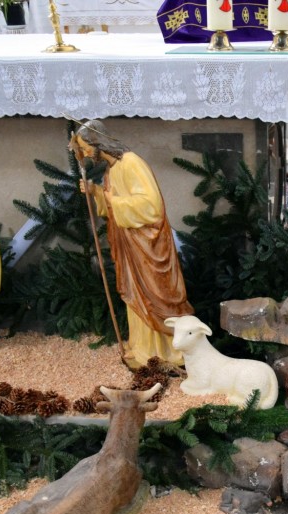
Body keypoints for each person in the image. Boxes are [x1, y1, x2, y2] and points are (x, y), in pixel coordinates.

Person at [70, 120, 193, 368]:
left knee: (156, 295)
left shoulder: (131, 163)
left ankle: (168, 352)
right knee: (136, 296)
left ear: (97, 142)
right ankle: (144, 348)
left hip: (148, 246)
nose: (83, 155)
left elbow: (151, 206)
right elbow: (112, 209)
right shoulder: (111, 170)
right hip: (130, 246)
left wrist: (105, 196)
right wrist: (96, 192)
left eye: (84, 148)